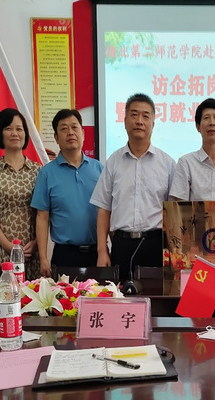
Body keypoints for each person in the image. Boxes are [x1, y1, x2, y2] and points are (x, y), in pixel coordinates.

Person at [91, 93, 175, 282]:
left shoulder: (168, 164)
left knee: (156, 297)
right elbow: (104, 209)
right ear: (125, 121)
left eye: (146, 116)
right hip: (122, 245)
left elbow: (173, 214)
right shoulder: (113, 162)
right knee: (121, 296)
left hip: (156, 245)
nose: (139, 121)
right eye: (134, 115)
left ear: (153, 123)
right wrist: (102, 251)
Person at [31, 109, 103, 277]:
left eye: (74, 127)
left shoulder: (99, 169)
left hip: (96, 253)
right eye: (64, 129)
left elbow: (108, 212)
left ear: (83, 133)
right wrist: (43, 258)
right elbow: (42, 217)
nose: (70, 132)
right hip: (64, 255)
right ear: (56, 138)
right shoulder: (46, 173)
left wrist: (106, 252)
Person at [0, 108, 41, 279]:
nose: (14, 133)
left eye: (19, 129)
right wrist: (8, 246)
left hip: (31, 251)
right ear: (0, 133)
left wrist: (36, 243)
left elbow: (44, 213)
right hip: (1, 250)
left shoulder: (38, 170)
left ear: (25, 134)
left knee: (32, 293)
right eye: (8, 128)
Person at [169, 98, 215, 201]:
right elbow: (179, 206)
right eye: (206, 118)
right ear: (198, 127)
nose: (212, 123)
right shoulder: (186, 163)